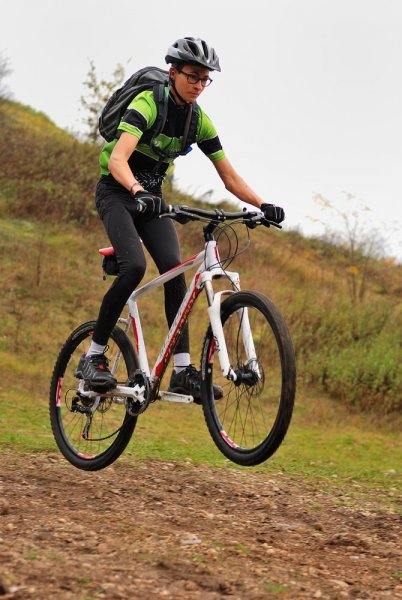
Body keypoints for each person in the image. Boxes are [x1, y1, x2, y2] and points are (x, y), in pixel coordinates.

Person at [75, 36, 285, 402]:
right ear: (173, 72)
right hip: (117, 194)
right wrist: (138, 191)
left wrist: (262, 204)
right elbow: (117, 159)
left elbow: (228, 177)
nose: (199, 85)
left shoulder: (198, 120)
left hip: (152, 201)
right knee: (134, 267)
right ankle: (92, 358)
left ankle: (184, 371)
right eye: (193, 76)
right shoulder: (148, 103)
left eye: (206, 80)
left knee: (175, 271)